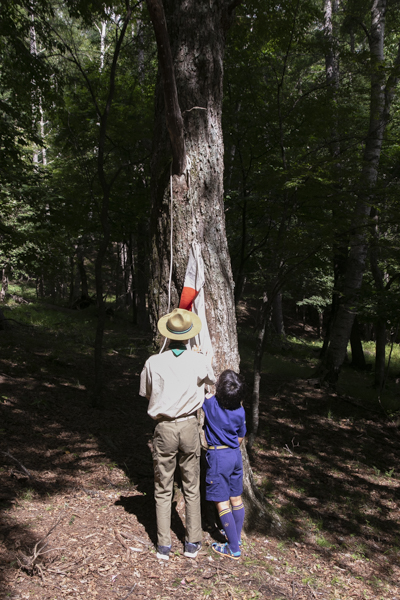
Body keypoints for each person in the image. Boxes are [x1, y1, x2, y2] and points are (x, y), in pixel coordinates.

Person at [139, 308, 215, 561]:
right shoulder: (198, 360)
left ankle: (163, 545)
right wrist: (200, 357)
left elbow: (147, 393)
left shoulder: (153, 361)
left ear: (167, 335)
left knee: (163, 488)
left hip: (164, 428)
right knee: (192, 485)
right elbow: (210, 379)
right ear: (188, 335)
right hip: (190, 427)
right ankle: (192, 542)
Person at [202, 369, 246, 560]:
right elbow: (241, 436)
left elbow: (201, 393)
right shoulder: (240, 410)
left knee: (221, 501)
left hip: (219, 457)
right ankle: (236, 536)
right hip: (235, 456)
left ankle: (233, 548)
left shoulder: (211, 404)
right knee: (236, 498)